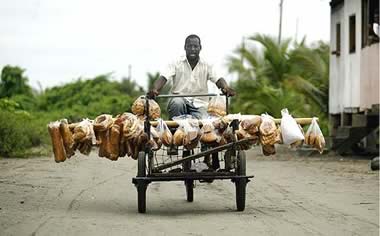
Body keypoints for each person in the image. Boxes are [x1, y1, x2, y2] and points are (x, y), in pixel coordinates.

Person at [148, 34, 235, 120]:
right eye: (189, 46)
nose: (192, 49)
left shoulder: (207, 64)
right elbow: (164, 77)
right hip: (179, 100)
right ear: (185, 47)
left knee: (203, 120)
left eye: (195, 46)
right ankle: (175, 130)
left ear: (200, 48)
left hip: (200, 104)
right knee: (176, 103)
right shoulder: (176, 62)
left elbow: (218, 79)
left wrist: (226, 87)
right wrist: (155, 89)